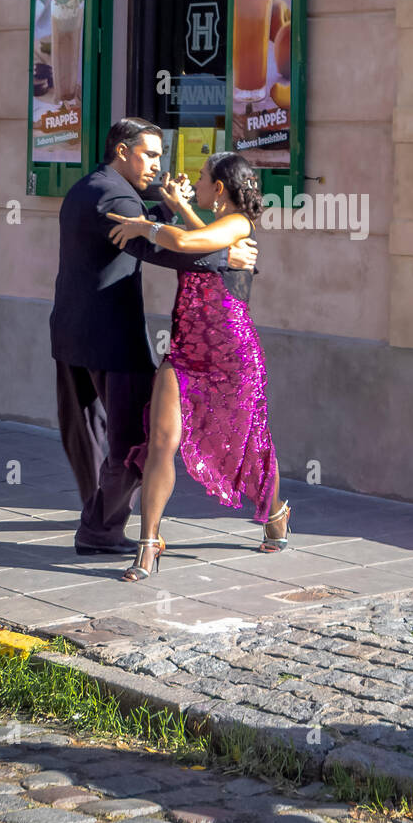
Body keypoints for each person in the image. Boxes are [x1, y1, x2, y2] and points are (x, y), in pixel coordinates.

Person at [51, 118, 257, 556]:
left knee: (89, 435)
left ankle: (96, 521)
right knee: (135, 440)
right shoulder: (114, 195)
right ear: (123, 151)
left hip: (75, 333)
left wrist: (168, 208)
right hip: (111, 340)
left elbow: (143, 227)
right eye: (150, 154)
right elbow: (156, 248)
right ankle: (100, 530)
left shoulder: (91, 185)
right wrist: (228, 255)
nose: (157, 165)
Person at [106, 151, 289, 581]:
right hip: (187, 350)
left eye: (204, 178)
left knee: (249, 441)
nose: (198, 182)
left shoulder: (240, 224)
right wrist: (177, 205)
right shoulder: (219, 228)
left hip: (232, 356)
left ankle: (276, 511)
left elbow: (190, 243)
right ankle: (149, 543)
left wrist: (145, 225)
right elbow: (202, 235)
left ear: (219, 189)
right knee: (162, 441)